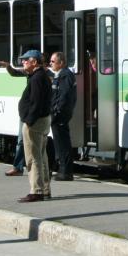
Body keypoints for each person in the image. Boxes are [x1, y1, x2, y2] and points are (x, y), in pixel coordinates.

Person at [15, 49, 52, 202]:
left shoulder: (37, 78)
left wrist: (29, 120)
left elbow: (36, 102)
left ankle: (36, 191)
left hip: (35, 123)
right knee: (42, 156)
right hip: (43, 120)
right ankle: (45, 189)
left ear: (34, 62)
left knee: (33, 157)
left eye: (26, 60)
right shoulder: (41, 76)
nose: (23, 62)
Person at [49, 51, 76, 181]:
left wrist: (56, 111)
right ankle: (63, 170)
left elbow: (64, 95)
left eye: (53, 61)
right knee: (60, 142)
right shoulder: (60, 74)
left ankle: (66, 172)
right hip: (59, 114)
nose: (50, 63)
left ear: (61, 63)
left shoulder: (65, 75)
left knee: (62, 143)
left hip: (60, 115)